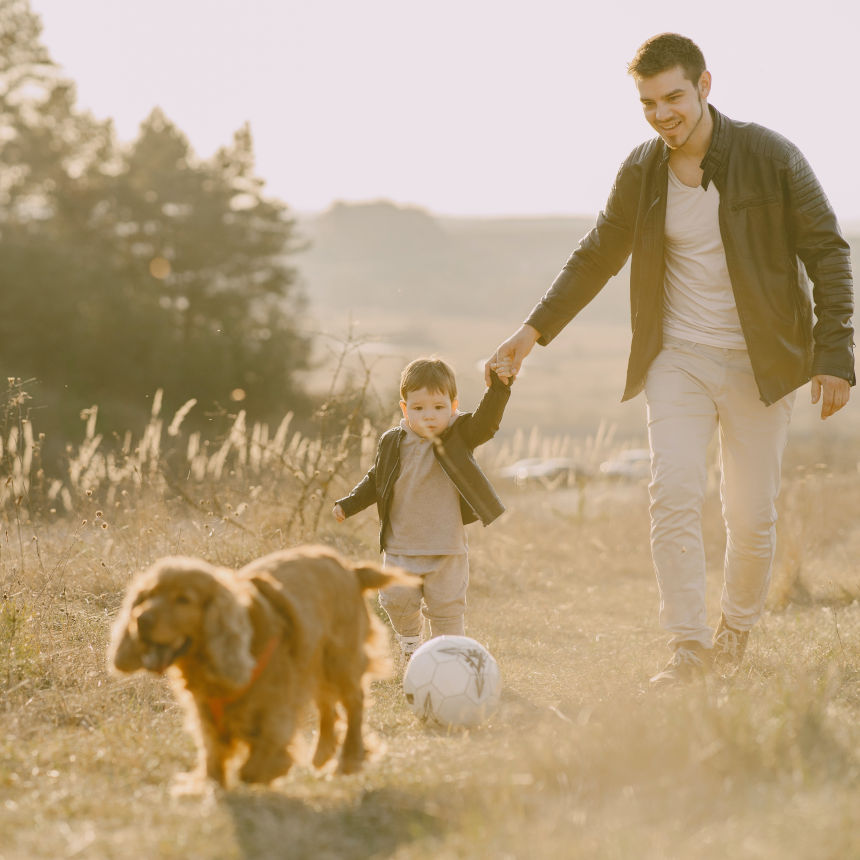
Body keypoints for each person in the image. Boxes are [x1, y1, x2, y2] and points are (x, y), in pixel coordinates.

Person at [487, 33, 854, 687]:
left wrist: (834, 353)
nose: (662, 115)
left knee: (750, 512)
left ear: (705, 86)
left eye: (673, 98)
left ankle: (734, 631)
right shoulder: (643, 169)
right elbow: (599, 250)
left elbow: (826, 250)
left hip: (760, 362)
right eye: (648, 103)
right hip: (677, 356)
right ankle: (687, 644)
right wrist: (532, 331)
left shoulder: (772, 157)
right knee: (674, 493)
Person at [333, 357, 512, 659]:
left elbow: (487, 422)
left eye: (439, 408)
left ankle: (451, 663)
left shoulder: (459, 434)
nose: (429, 416)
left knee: (447, 610)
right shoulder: (393, 441)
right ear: (404, 408)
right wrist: (349, 504)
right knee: (396, 601)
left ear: (453, 406)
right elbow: (376, 478)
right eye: (418, 408)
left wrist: (499, 389)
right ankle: (411, 643)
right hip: (401, 546)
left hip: (447, 548)